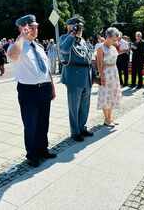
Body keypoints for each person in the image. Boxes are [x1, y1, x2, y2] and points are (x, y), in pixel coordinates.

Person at [7, 14, 57, 167]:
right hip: (28, 91)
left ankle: (43, 149)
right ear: (25, 28)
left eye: (36, 26)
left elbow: (47, 69)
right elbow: (12, 55)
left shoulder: (39, 47)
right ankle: (32, 154)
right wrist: (21, 37)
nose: (37, 29)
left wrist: (52, 86)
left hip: (44, 89)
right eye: (33, 27)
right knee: (31, 124)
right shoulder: (18, 46)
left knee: (43, 122)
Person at [60, 15, 94, 142]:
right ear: (69, 27)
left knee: (85, 105)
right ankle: (75, 131)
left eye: (80, 26)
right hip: (74, 77)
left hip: (86, 76)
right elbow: (63, 50)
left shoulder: (83, 41)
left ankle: (82, 127)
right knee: (74, 106)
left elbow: (88, 57)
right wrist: (72, 34)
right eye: (77, 26)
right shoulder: (65, 38)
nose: (80, 29)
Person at [96, 27, 122, 127]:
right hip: (106, 73)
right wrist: (102, 76)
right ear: (108, 37)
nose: (116, 41)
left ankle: (110, 117)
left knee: (112, 95)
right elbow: (99, 64)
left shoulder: (113, 47)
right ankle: (106, 119)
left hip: (114, 73)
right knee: (105, 96)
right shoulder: (100, 48)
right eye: (114, 39)